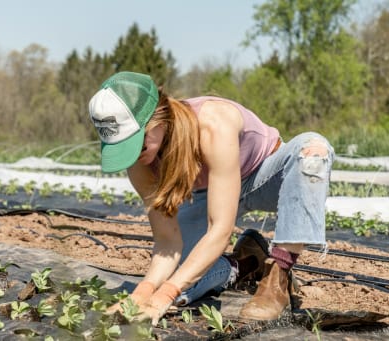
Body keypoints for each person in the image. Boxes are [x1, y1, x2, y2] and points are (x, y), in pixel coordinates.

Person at [89, 71, 334, 324]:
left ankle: (278, 275)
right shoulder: (140, 162)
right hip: (211, 193)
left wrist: (164, 295)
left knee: (313, 151)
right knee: (180, 284)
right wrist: (144, 292)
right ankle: (244, 262)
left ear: (159, 118)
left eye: (137, 144)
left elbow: (220, 229)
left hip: (265, 177)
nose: (135, 155)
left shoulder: (212, 123)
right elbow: (167, 242)